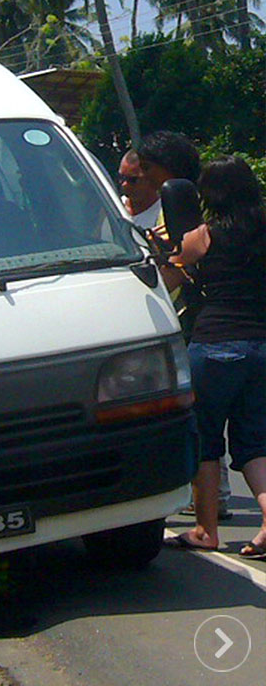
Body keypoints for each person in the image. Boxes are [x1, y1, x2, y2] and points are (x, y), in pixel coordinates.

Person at [162, 156, 266, 558]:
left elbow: (170, 275)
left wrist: (168, 251)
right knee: (255, 441)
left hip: (216, 344)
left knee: (206, 439)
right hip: (261, 345)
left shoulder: (203, 236)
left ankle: (205, 530)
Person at [136, 132, 232, 518]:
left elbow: (183, 264)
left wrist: (164, 264)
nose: (141, 178)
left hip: (192, 319)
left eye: (145, 169)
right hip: (207, 321)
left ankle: (211, 498)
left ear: (167, 168)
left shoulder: (178, 203)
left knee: (199, 416)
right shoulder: (191, 201)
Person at [118, 149, 161, 229]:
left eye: (132, 180)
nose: (124, 184)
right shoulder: (113, 207)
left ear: (150, 178)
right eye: (122, 177)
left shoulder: (163, 215)